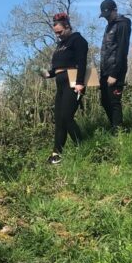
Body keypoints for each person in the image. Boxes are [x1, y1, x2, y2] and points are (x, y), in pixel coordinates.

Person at [41, 12, 88, 164]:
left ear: (67, 26)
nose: (58, 36)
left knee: (67, 116)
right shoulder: (60, 45)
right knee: (59, 119)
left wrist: (80, 82)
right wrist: (50, 73)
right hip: (60, 83)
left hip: (73, 81)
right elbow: (58, 67)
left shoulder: (77, 40)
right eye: (56, 33)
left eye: (60, 32)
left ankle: (82, 146)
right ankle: (56, 154)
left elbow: (82, 62)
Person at [98, 0, 131, 133]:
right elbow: (107, 50)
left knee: (114, 101)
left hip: (116, 70)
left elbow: (122, 50)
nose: (106, 18)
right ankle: (114, 127)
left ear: (115, 10)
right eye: (104, 16)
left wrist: (114, 74)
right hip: (105, 69)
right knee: (105, 101)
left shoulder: (123, 24)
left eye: (108, 14)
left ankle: (119, 131)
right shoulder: (109, 26)